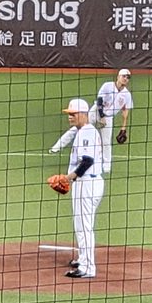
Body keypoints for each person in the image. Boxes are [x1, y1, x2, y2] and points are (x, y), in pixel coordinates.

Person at [49, 69, 133, 173]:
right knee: (77, 128)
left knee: (106, 142)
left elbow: (125, 111)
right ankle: (57, 146)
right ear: (118, 76)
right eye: (124, 76)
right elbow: (99, 101)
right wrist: (101, 117)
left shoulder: (127, 95)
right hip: (96, 111)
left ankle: (106, 166)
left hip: (108, 117)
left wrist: (123, 128)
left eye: (128, 77)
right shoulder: (107, 86)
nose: (125, 79)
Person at [58, 99, 104, 279]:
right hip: (86, 183)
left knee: (84, 226)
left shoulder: (86, 132)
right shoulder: (84, 131)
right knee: (81, 224)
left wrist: (67, 178)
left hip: (87, 183)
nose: (70, 117)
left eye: (73, 114)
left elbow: (87, 161)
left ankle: (87, 268)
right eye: (69, 114)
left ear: (84, 114)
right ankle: (83, 259)